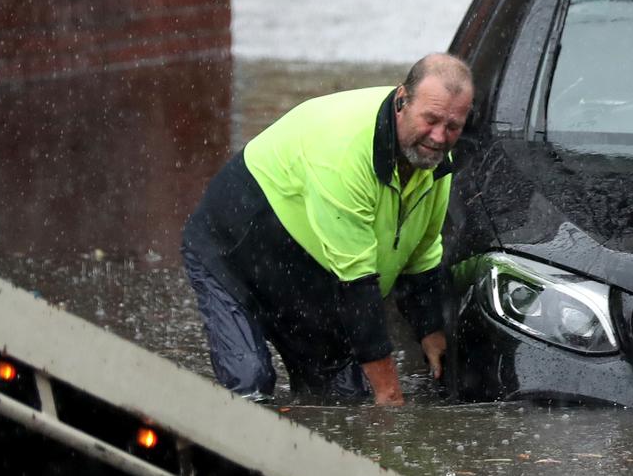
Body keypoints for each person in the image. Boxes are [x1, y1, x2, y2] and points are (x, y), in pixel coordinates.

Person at [181, 52, 474, 406]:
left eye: (453, 126)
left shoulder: (435, 163)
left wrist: (431, 331)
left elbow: (422, 255)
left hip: (307, 277)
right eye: (430, 120)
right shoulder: (346, 153)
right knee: (251, 388)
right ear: (401, 102)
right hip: (232, 252)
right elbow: (357, 283)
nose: (439, 137)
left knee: (342, 402)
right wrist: (389, 393)